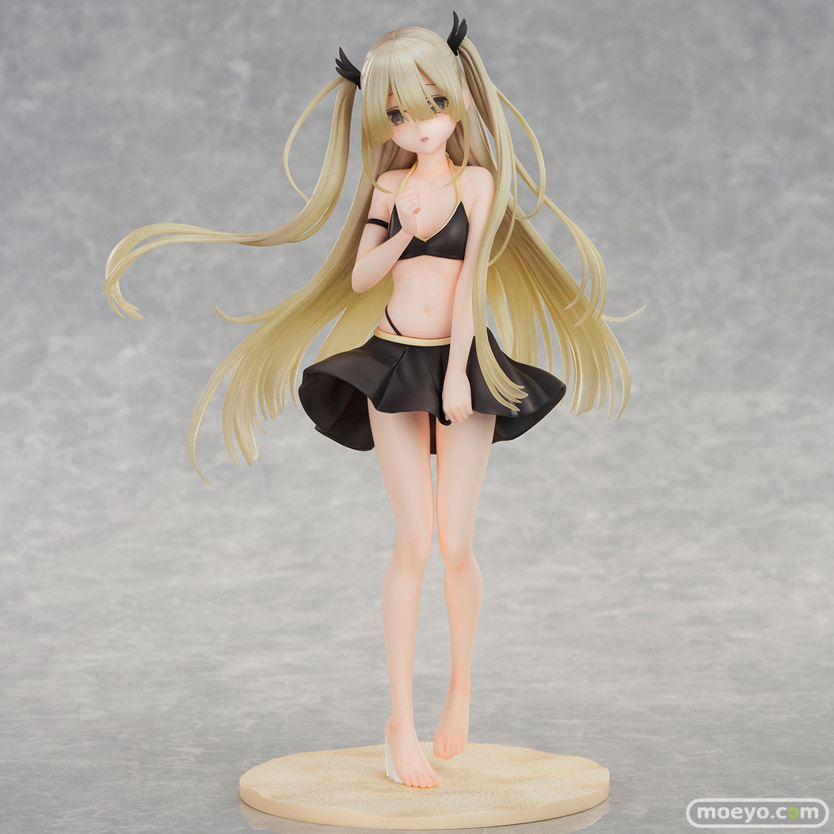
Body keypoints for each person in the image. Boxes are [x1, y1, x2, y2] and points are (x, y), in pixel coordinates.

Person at [104, 12, 643, 789]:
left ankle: (461, 689)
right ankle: (398, 721)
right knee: (412, 543)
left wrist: (459, 373)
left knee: (457, 544)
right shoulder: (389, 188)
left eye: (432, 105)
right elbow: (362, 277)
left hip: (459, 363)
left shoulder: (477, 183)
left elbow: (473, 284)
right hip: (392, 362)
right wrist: (401, 231)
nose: (418, 126)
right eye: (398, 113)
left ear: (458, 100)